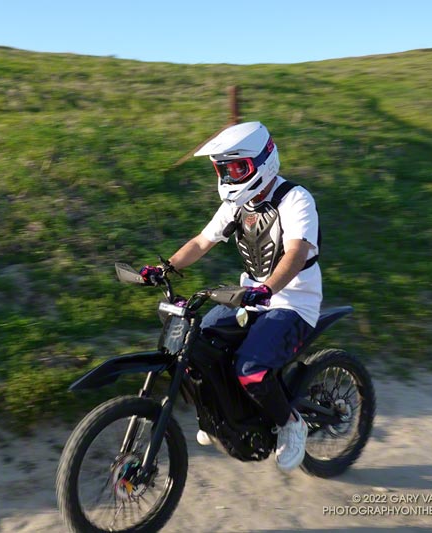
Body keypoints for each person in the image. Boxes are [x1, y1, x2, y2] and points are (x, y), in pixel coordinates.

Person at [140, 121, 322, 473]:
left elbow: (296, 254)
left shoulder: (297, 200)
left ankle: (291, 424)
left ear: (263, 161)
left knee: (251, 369)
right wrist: (166, 268)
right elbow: (200, 242)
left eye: (237, 167)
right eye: (223, 169)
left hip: (292, 304)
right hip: (250, 298)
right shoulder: (238, 205)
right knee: (198, 345)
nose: (229, 176)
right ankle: (220, 417)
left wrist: (268, 287)